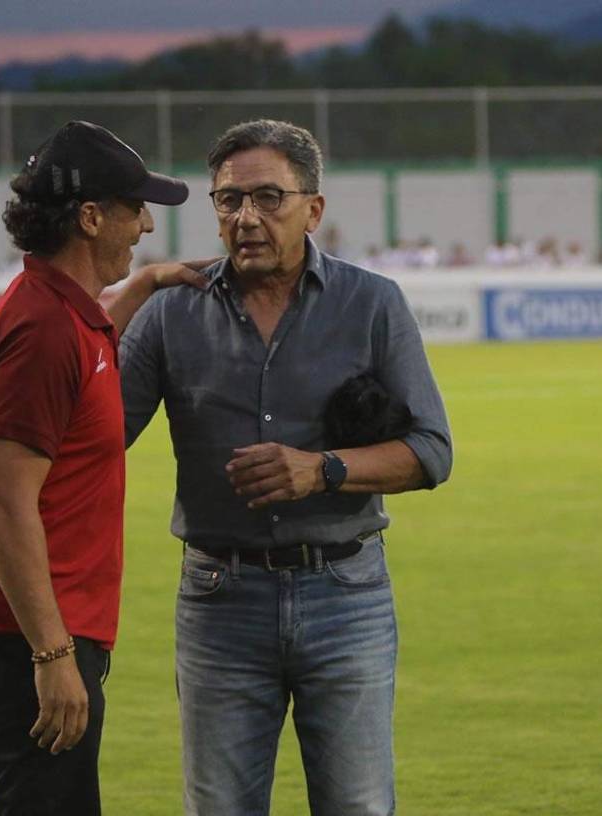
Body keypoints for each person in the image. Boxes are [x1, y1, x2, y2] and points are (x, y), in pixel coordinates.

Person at [119, 119, 452, 815]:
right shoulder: (171, 310)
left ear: (314, 209)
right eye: (228, 201)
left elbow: (430, 451)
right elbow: (95, 439)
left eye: (269, 198)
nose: (246, 218)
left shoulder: (372, 304)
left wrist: (321, 470)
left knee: (358, 805)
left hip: (346, 593)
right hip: (220, 599)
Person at [0, 120, 194, 816]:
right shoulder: (46, 332)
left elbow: (88, 337)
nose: (144, 224)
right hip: (21, 637)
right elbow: (3, 504)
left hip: (31, 627)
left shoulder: (61, 311)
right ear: (88, 216)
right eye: (134, 208)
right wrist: (52, 657)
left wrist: (147, 285)